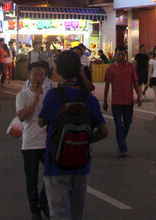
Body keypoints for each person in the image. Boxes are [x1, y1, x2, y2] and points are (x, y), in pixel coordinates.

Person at [38, 49, 108, 220]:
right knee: (76, 214)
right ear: (79, 70)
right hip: (82, 163)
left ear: (57, 70)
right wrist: (84, 140)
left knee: (59, 213)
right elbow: (104, 131)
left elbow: (41, 121)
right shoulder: (89, 99)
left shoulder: (53, 96)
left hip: (55, 163)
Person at [16, 61, 51, 220]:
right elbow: (22, 117)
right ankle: (35, 211)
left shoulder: (50, 95)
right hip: (29, 143)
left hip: (47, 143)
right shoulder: (22, 95)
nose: (38, 78)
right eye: (35, 75)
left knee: (51, 176)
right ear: (29, 77)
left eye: (41, 75)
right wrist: (35, 99)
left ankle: (44, 201)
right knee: (32, 180)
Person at [102, 47, 141, 157]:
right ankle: (122, 148)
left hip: (129, 100)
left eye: (122, 54)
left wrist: (138, 96)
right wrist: (105, 100)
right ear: (115, 55)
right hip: (116, 101)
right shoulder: (111, 68)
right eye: (118, 54)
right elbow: (107, 85)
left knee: (127, 123)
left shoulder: (130, 68)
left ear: (125, 55)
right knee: (118, 125)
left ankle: (121, 142)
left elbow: (135, 82)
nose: (120, 57)